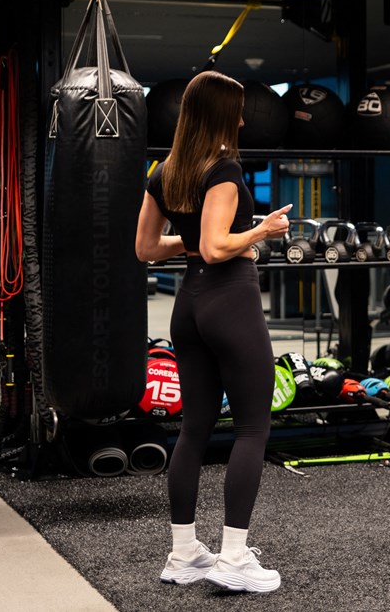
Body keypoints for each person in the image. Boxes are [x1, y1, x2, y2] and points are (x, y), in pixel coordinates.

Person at [135, 71, 292, 592]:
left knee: (195, 429)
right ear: (223, 116)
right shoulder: (223, 170)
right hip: (229, 301)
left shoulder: (166, 170)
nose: (245, 119)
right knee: (252, 428)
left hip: (190, 306)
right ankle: (233, 560)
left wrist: (196, 237)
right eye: (239, 111)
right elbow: (217, 247)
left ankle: (184, 555)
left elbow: (147, 249)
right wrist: (263, 229)